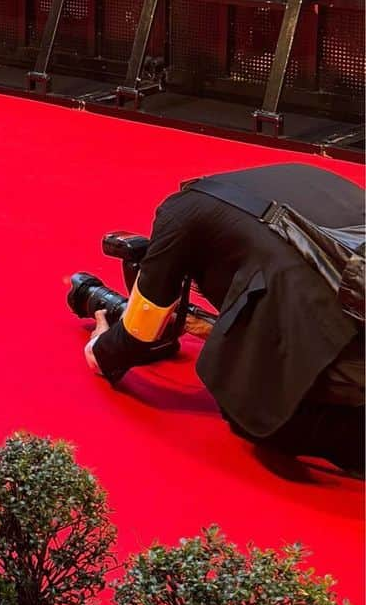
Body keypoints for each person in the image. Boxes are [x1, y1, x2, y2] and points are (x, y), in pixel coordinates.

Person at [83, 163, 364, 474]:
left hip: (346, 341)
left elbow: (137, 335)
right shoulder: (294, 176)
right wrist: (200, 325)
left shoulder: (177, 214)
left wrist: (100, 350)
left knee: (253, 411)